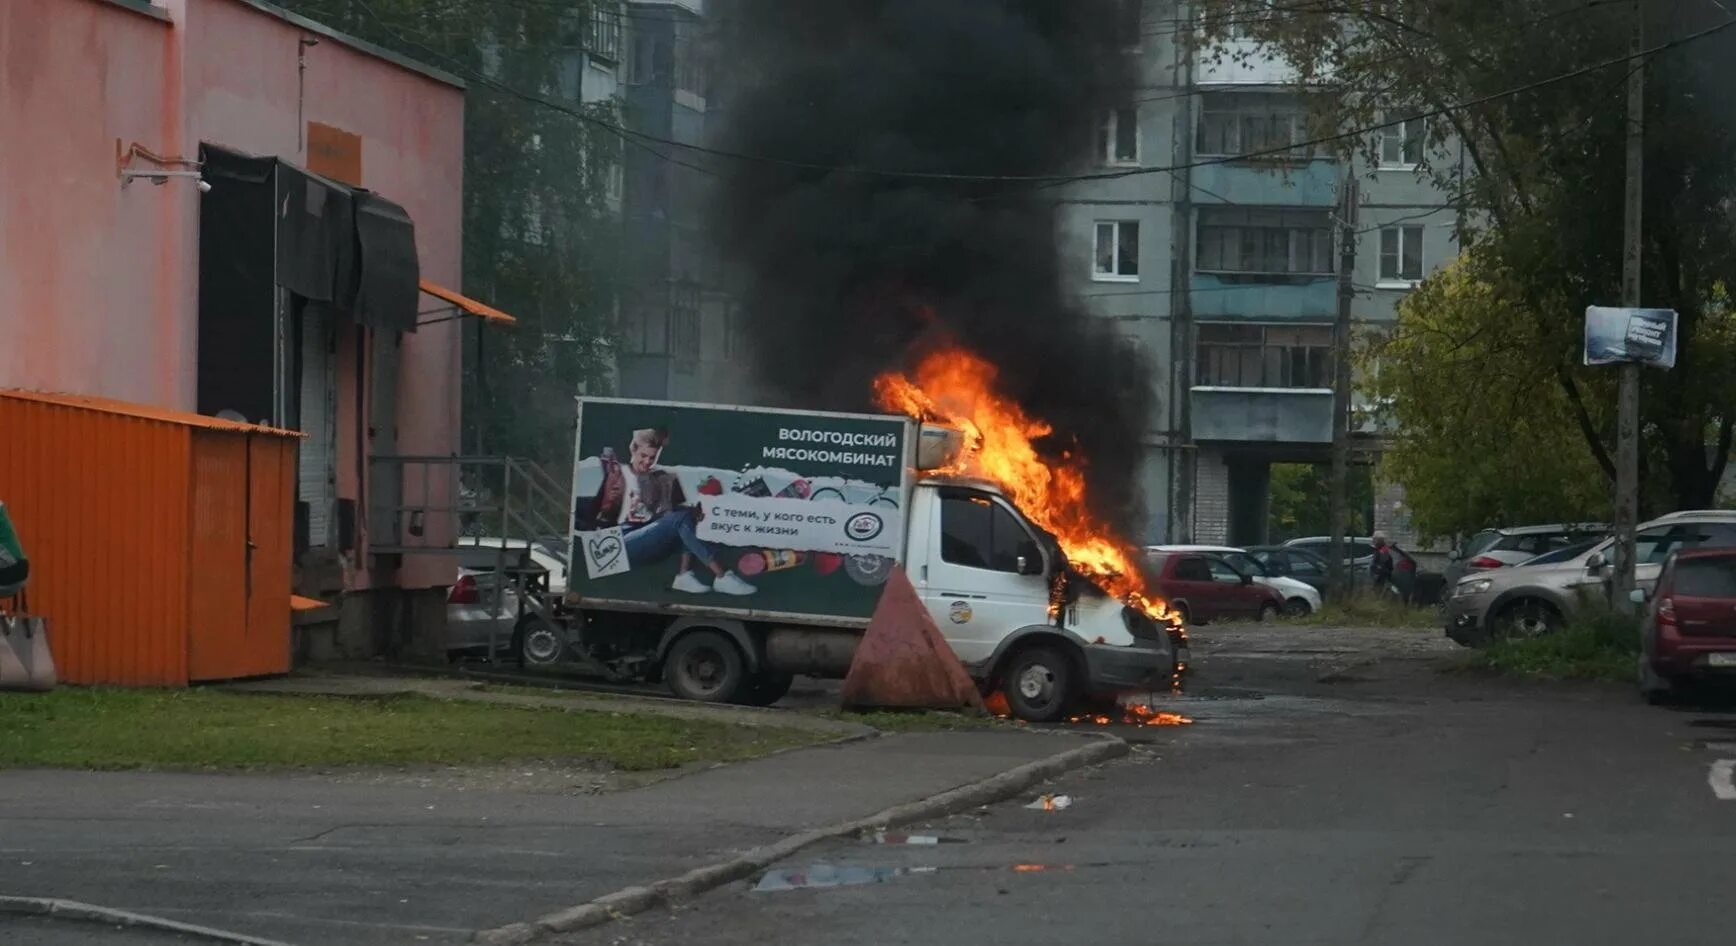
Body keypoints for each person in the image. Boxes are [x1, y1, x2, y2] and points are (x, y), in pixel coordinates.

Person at [577, 428, 756, 596]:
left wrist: (696, 511)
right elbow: (599, 510)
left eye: (652, 458)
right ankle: (722, 576)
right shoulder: (618, 475)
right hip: (617, 543)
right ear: (633, 450)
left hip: (648, 537)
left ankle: (684, 576)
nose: (647, 462)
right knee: (680, 518)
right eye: (643, 456)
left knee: (688, 518)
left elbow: (670, 513)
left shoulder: (662, 478)